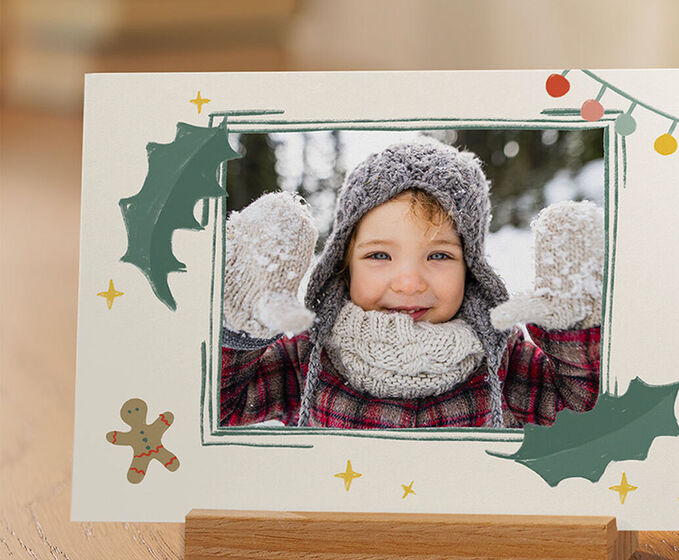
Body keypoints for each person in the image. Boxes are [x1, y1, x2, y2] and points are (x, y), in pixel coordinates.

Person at [218, 138, 604, 429]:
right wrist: (243, 324)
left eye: (439, 256)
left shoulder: (501, 358)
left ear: (472, 270)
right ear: (343, 267)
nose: (408, 282)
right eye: (379, 256)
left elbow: (586, 412)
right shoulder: (309, 356)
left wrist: (573, 328)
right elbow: (220, 405)